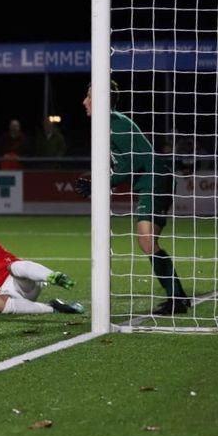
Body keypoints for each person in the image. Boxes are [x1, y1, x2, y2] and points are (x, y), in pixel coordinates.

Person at [78, 81, 190, 314]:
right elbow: (126, 163)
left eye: (89, 97)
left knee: (147, 241)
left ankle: (177, 300)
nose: (84, 102)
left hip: (154, 179)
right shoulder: (107, 124)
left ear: (101, 99)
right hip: (153, 179)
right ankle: (178, 297)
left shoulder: (114, 124)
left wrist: (101, 184)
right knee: (147, 242)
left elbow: (135, 161)